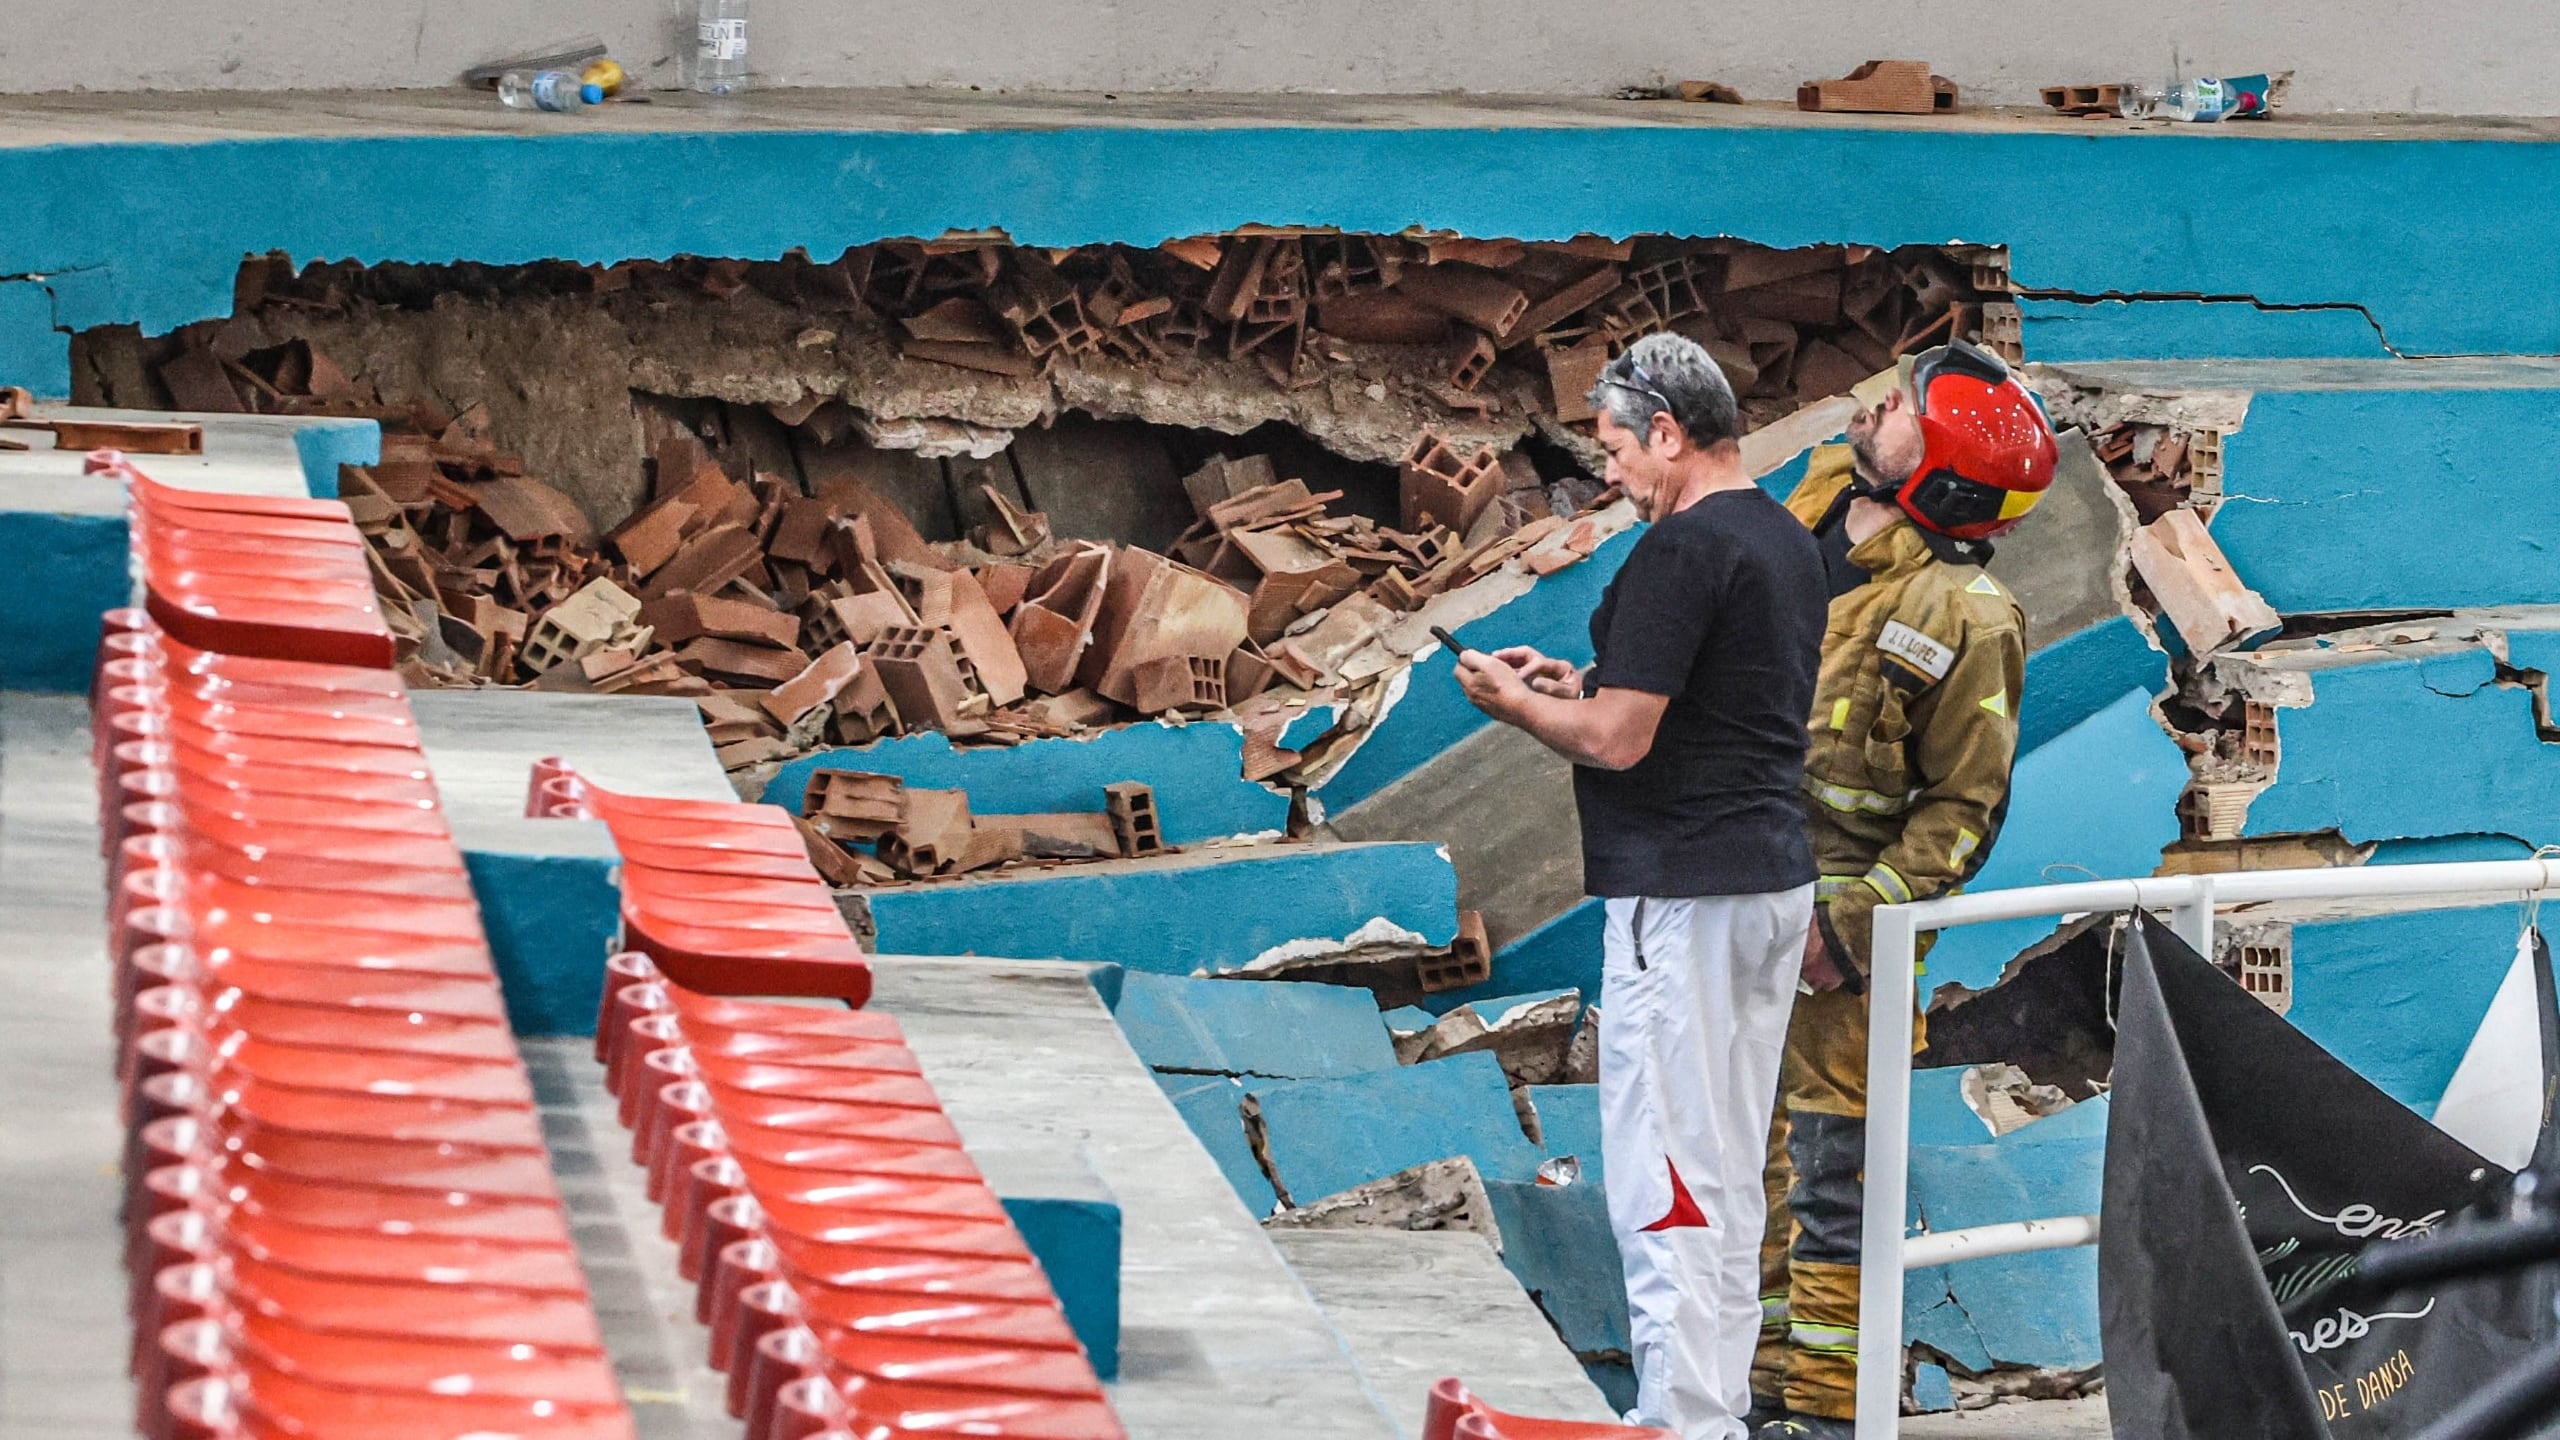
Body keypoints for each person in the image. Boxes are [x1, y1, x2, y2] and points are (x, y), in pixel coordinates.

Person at [1455, 332, 1829, 1439]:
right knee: (1721, 1169)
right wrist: (1581, 682)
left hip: (1684, 893)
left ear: (1668, 434)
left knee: (1664, 1171)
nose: (1607, 472)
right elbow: (1703, 703)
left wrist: (1517, 704)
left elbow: (1617, 743)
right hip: (1767, 882)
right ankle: (1706, 1414)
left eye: (1616, 447)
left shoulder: (1680, 548)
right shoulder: (1779, 535)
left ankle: (1677, 1419)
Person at [1749, 340, 2058, 1440]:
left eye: (1901, 414)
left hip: (1842, 941)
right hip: (1736, 894)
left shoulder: (1967, 619)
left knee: (1831, 1178)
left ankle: (1824, 1416)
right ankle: (1755, 1394)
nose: (1875, 409)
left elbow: (1961, 814)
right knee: (1754, 1166)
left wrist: (1850, 929)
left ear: (1944, 480)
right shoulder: (1822, 500)